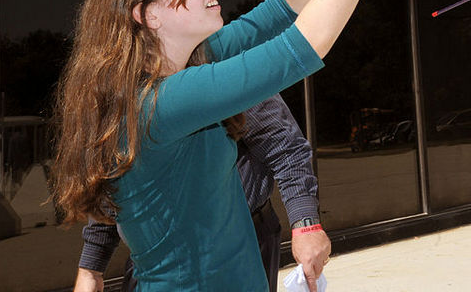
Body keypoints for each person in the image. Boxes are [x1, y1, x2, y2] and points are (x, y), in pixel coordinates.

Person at [52, 0, 424, 292]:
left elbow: (279, 10)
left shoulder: (186, 64)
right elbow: (299, 47)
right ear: (149, 15)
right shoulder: (162, 102)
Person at [73, 93, 329, 291]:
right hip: (153, 255)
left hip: (239, 245)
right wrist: (91, 266)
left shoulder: (227, 67)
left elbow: (285, 147)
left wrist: (305, 223)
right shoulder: (118, 85)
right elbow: (111, 178)